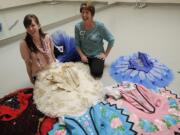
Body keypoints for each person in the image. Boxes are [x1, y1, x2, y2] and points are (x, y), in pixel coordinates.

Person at [75, 2, 115, 78]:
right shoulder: (78, 26)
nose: (84, 15)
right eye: (82, 12)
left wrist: (105, 54)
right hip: (84, 55)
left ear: (92, 14)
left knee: (96, 73)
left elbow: (111, 40)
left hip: (96, 55)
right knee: (75, 71)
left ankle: (92, 64)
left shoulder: (99, 26)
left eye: (87, 13)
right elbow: (77, 44)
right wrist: (82, 55)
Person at [20, 14, 56, 84]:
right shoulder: (24, 44)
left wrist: (57, 68)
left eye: (33, 25)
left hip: (52, 71)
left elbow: (52, 55)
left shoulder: (47, 37)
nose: (30, 29)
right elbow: (28, 64)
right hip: (40, 76)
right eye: (27, 27)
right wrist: (31, 80)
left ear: (39, 26)